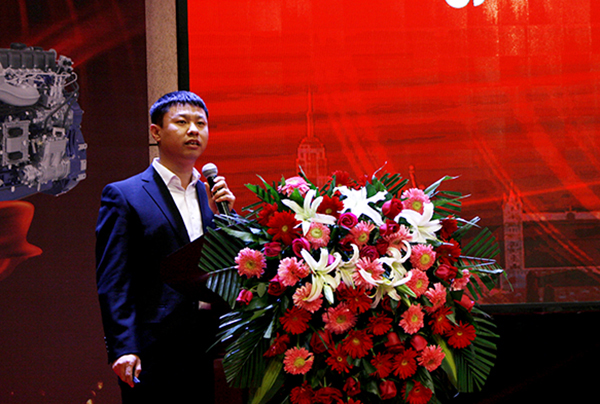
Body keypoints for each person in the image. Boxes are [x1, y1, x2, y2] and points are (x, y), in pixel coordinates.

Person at [95, 91, 235, 403]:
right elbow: (114, 279)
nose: (194, 130)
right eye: (182, 122)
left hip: (212, 344)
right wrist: (123, 347)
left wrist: (226, 217)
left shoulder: (213, 195)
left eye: (201, 123)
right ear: (156, 132)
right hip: (154, 346)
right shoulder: (125, 195)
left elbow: (231, 265)